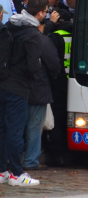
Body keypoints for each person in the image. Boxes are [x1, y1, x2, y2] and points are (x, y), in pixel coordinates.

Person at [0, 0, 49, 186]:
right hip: (18, 88)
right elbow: (32, 66)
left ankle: (3, 170)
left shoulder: (12, 25)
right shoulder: (33, 35)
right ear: (39, 13)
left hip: (2, 83)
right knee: (15, 130)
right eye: (45, 11)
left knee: (2, 129)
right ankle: (17, 174)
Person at [23, 16, 63, 171]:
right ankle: (31, 160)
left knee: (16, 126)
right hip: (38, 89)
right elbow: (54, 65)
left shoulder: (14, 36)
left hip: (18, 89)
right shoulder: (42, 40)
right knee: (35, 126)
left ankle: (12, 158)